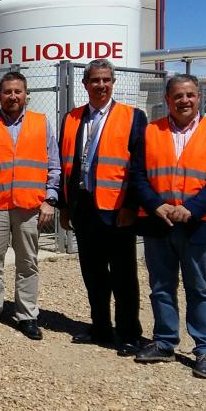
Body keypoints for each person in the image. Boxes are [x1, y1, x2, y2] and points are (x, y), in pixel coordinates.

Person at [129, 74, 206, 378]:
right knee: (161, 287)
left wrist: (191, 209)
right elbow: (137, 175)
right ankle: (164, 342)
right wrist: (155, 205)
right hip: (158, 222)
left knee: (198, 287)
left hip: (199, 225)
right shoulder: (149, 132)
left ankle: (204, 349)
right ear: (167, 100)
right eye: (178, 96)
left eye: (190, 95)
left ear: (198, 97)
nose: (184, 101)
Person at [58, 59, 147, 356]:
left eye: (106, 80)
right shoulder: (72, 118)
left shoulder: (132, 117)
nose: (101, 85)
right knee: (93, 273)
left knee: (123, 274)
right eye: (95, 80)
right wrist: (65, 207)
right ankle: (100, 327)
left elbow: (139, 167)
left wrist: (131, 206)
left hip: (117, 209)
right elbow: (65, 166)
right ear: (85, 85)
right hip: (83, 207)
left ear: (113, 82)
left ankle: (129, 333)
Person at [0, 71, 60, 340]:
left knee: (28, 263)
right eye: (7, 92)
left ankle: (27, 315)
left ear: (26, 94)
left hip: (29, 207)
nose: (13, 96)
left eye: (18, 91)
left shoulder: (42, 123)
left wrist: (50, 199)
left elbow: (54, 164)